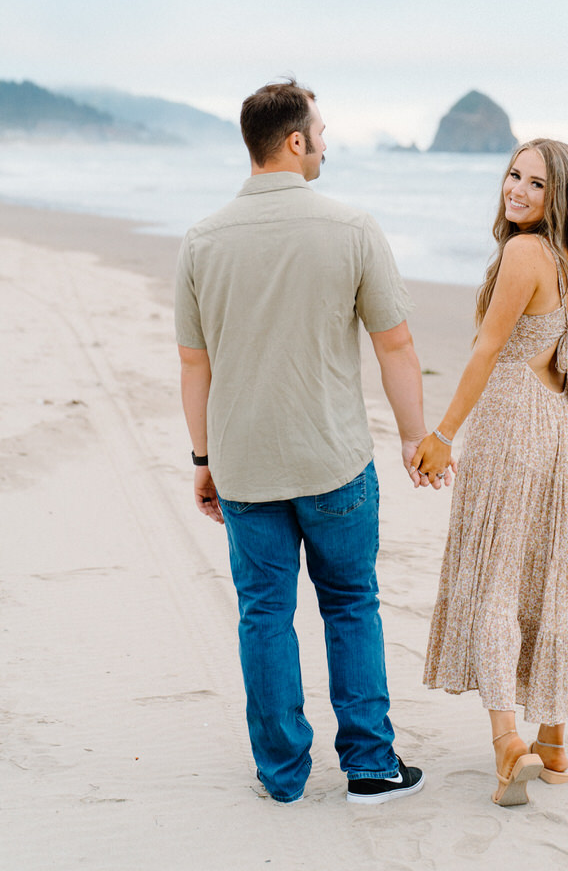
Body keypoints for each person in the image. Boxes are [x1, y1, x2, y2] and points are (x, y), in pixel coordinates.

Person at [175, 78, 439, 805]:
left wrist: (202, 459)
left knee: (265, 614)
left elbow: (194, 364)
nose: (326, 141)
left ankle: (282, 774)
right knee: (350, 604)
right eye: (319, 130)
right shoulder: (352, 229)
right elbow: (397, 344)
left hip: (245, 466)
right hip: (334, 464)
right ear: (294, 141)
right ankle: (370, 766)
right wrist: (415, 438)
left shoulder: (201, 241)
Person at [413, 138, 568, 807]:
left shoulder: (523, 254)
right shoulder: (567, 258)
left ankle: (506, 746)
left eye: (536, 183)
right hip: (559, 430)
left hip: (514, 425)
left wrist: (441, 435)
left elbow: (489, 351)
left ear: (559, 199)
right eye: (514, 173)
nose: (517, 188)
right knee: (548, 579)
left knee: (495, 578)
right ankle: (552, 742)